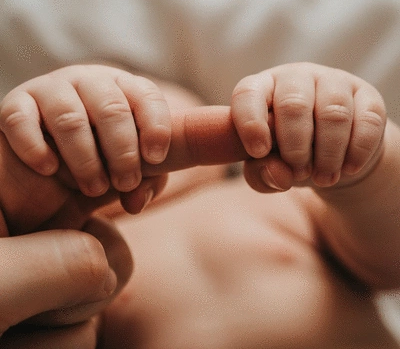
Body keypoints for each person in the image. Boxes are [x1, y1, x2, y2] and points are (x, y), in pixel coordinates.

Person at [1, 62, 400, 347]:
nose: (120, 132)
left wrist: (360, 167)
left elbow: (391, 258)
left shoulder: (274, 199)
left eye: (147, 96)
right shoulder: (60, 256)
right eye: (85, 126)